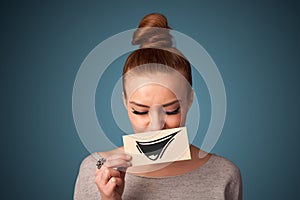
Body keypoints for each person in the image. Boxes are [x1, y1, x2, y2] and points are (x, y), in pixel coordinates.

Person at [74, 13, 242, 200]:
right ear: (125, 102)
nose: (156, 126)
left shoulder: (224, 174)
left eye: (171, 110)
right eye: (140, 111)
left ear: (190, 100)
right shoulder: (95, 169)